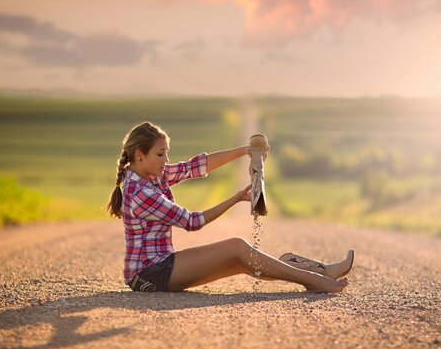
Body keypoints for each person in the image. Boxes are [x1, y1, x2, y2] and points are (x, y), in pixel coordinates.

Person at [106, 122, 352, 293]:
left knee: (241, 262)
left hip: (160, 265)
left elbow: (194, 167)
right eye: (161, 154)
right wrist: (235, 199)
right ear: (140, 155)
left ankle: (318, 273)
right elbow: (192, 222)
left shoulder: (150, 174)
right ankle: (314, 279)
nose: (166, 160)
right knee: (236, 247)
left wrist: (246, 151)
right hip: (149, 274)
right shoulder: (140, 192)